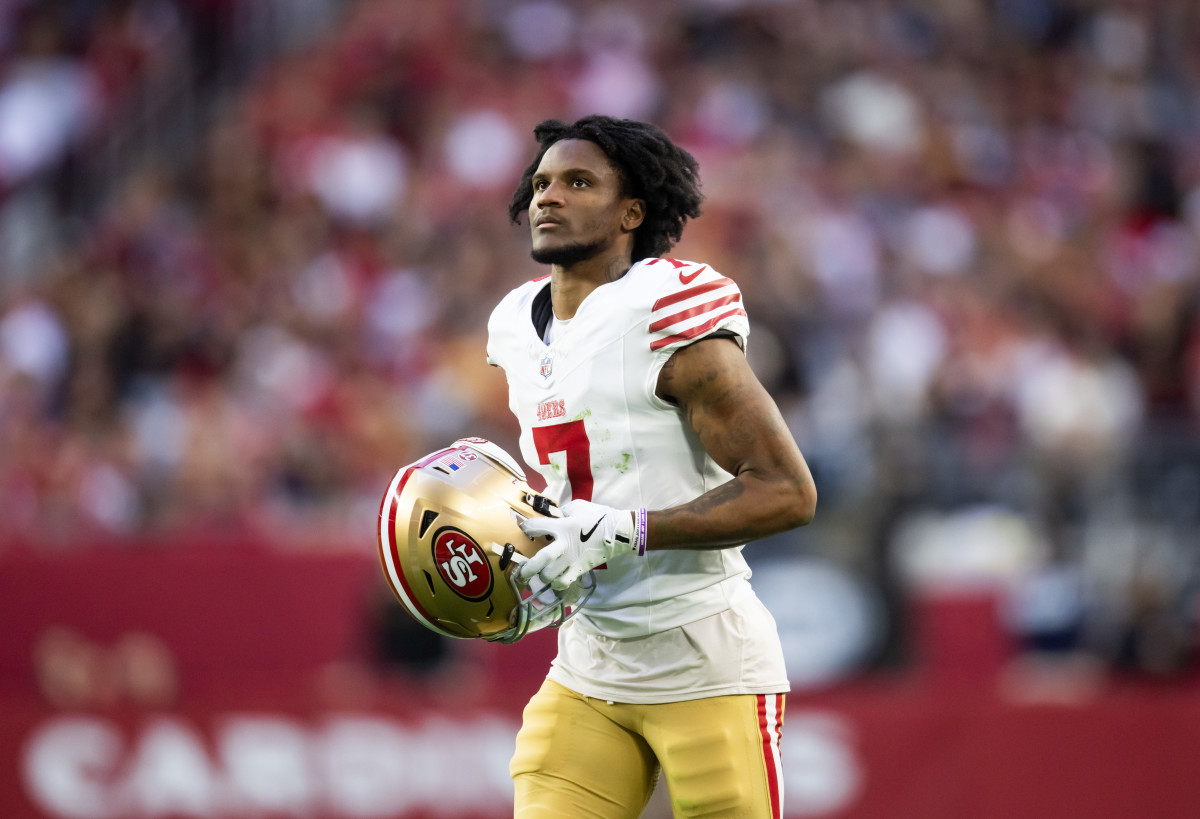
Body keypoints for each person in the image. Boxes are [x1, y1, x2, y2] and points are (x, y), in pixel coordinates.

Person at [485, 115, 818, 818]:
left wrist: (625, 529)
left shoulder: (662, 308)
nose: (549, 195)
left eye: (579, 182)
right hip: (589, 662)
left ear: (632, 211)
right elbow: (569, 491)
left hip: (705, 662)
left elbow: (788, 492)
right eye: (542, 182)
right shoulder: (514, 324)